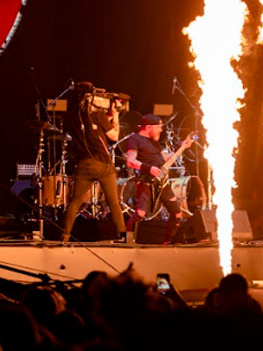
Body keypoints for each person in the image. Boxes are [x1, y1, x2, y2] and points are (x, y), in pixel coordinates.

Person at [61, 82, 127, 242]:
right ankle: (123, 235)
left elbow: (89, 131)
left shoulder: (71, 118)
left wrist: (104, 120)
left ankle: (64, 235)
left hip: (83, 164)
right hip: (102, 163)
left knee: (75, 201)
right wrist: (115, 116)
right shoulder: (97, 115)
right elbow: (114, 137)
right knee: (113, 202)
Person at [125, 114, 194, 243]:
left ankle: (168, 243)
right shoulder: (135, 139)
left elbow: (164, 159)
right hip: (146, 181)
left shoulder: (154, 142)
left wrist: (182, 147)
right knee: (140, 213)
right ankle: (127, 240)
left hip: (161, 182)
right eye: (159, 127)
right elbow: (130, 161)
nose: (161, 130)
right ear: (149, 127)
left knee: (177, 214)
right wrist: (149, 168)